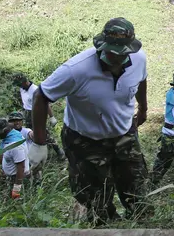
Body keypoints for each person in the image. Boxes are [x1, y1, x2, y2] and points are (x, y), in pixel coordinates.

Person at [31, 17, 150, 224]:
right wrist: (39, 141)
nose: (115, 56)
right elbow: (41, 96)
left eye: (121, 52)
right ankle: (106, 224)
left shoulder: (139, 59)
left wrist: (143, 108)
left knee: (138, 192)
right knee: (96, 199)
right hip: (85, 141)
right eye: (111, 51)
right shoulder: (77, 69)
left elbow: (141, 80)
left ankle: (140, 224)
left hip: (124, 134)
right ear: (102, 45)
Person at [11, 74, 65, 160]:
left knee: (44, 133)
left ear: (25, 82)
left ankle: (58, 150)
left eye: (20, 84)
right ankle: (36, 153)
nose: (19, 86)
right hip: (27, 114)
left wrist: (51, 117)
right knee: (31, 134)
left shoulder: (35, 90)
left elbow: (45, 104)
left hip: (36, 113)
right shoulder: (22, 89)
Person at [0, 117, 29, 200]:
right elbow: (2, 151)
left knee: (12, 200)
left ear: (5, 130)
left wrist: (16, 188)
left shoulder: (15, 146)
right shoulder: (8, 137)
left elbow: (21, 166)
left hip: (16, 177)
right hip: (10, 174)